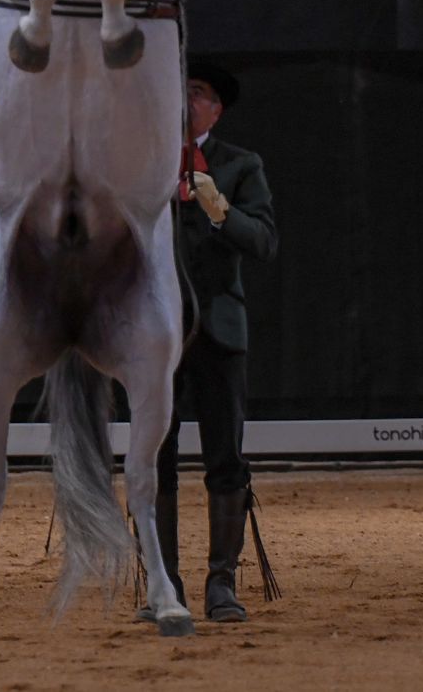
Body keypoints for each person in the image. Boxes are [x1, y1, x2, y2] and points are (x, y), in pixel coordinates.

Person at [144, 59, 279, 623]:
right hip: (156, 333)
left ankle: (221, 582)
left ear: (215, 109)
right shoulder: (143, 164)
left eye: (195, 93)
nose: (185, 99)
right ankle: (163, 583)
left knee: (226, 457)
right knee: (156, 459)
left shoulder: (241, 165)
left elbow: (265, 243)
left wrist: (218, 209)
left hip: (219, 329)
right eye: (179, 89)